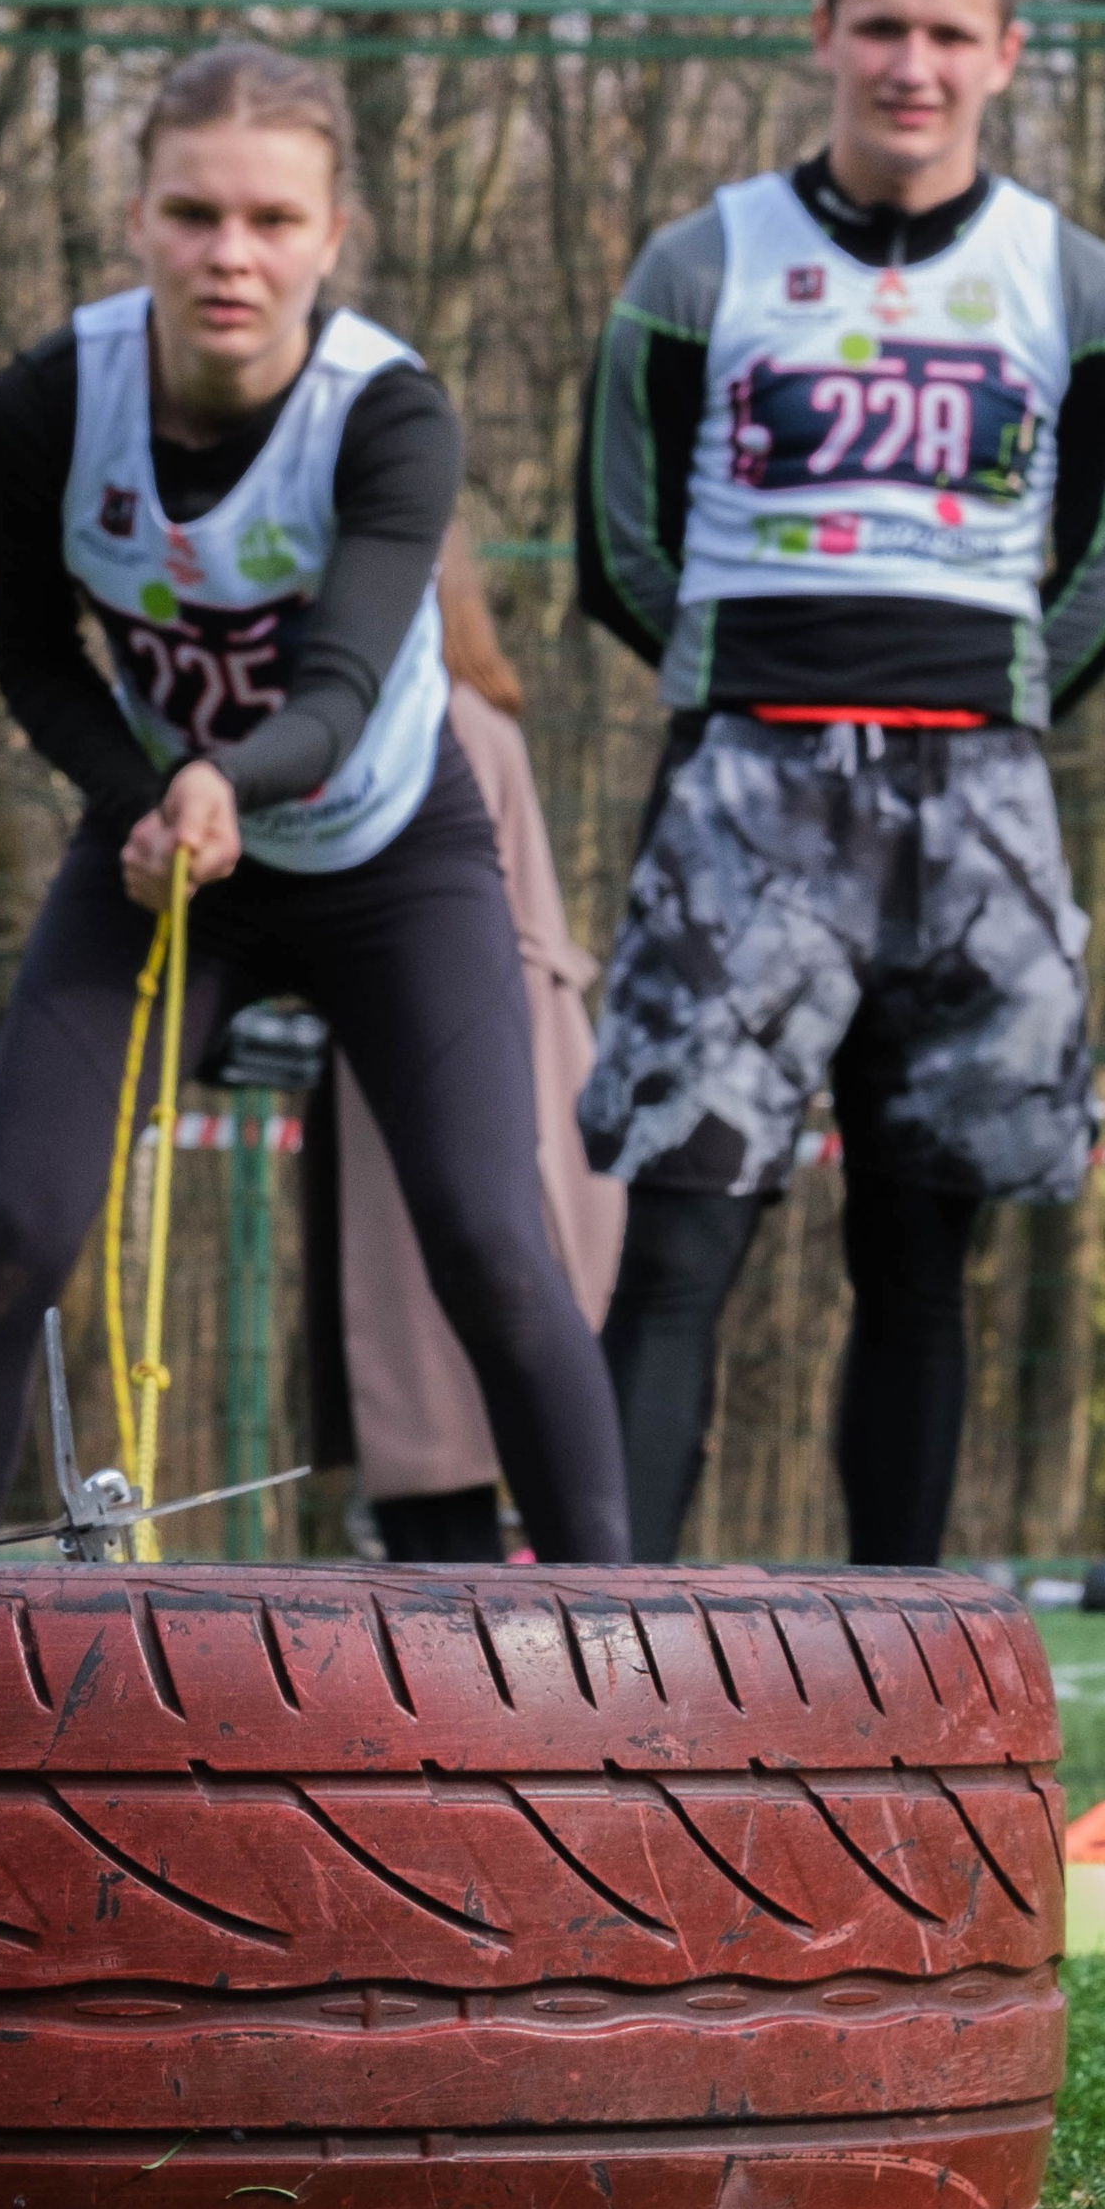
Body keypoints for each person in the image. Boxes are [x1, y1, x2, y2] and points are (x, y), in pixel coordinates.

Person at [0, 43, 631, 1562]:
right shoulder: (44, 408)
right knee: (12, 1234)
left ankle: (618, 1652)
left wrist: (222, 774)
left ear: (332, 236)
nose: (231, 255)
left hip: (388, 854)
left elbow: (347, 683)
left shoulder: (391, 416)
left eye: (273, 221)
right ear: (139, 217)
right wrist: (152, 796)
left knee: (494, 1242)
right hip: (162, 853)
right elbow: (33, 662)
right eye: (194, 213)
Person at [574, 0, 1105, 1564]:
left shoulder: (1076, 282)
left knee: (919, 1254)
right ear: (823, 34)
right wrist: (738, 687)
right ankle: (607, 1665)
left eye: (950, 34)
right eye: (884, 27)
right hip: (744, 790)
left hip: (977, 800)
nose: (915, 65)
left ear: (1007, 55)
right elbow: (624, 538)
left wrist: (985, 702)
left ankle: (894, 1693)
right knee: (684, 1238)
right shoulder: (706, 260)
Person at [302, 523, 624, 1564]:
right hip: (488, 1051)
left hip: (458, 1057)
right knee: (434, 1380)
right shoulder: (476, 719)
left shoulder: (441, 726)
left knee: (438, 1377)